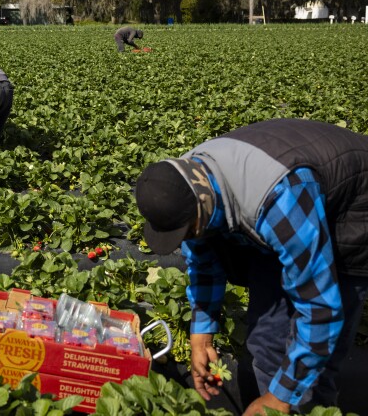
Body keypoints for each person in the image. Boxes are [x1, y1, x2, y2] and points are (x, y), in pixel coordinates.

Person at [134, 118, 368, 416]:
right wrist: (201, 336)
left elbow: (321, 309)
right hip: (290, 198)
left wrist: (279, 399)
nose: (187, 240)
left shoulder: (280, 198)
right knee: (266, 338)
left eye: (188, 231)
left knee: (320, 363)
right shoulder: (188, 185)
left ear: (203, 206)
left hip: (355, 211)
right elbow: (203, 263)